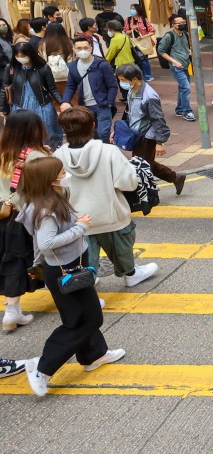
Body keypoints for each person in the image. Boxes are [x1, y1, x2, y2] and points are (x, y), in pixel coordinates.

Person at [19, 156, 126, 397]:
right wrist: (80, 227)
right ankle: (42, 367)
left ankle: (94, 355)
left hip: (66, 265)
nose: (65, 173)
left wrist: (73, 222)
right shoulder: (46, 209)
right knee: (87, 320)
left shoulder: (44, 200)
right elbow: (46, 243)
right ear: (50, 179)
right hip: (65, 268)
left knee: (81, 315)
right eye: (61, 171)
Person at [54, 106, 157, 288]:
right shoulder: (108, 151)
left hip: (78, 220)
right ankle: (130, 273)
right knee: (122, 247)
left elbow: (57, 190)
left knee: (85, 255)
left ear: (64, 130)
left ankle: (88, 281)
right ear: (93, 125)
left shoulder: (57, 156)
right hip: (112, 216)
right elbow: (128, 183)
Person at [0, 110, 49, 334]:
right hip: (25, 217)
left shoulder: (2, 152)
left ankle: (12, 311)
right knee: (37, 258)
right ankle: (12, 311)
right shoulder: (35, 156)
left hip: (3, 214)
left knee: (10, 260)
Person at [115, 64, 186, 195]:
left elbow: (158, 120)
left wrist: (159, 142)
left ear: (135, 79)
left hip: (147, 136)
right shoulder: (132, 90)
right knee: (146, 164)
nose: (121, 83)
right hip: (137, 133)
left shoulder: (149, 97)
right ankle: (176, 178)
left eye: (123, 80)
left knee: (140, 165)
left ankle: (146, 193)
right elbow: (129, 112)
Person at [1, 41, 63, 149]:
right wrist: (1, 108)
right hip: (20, 107)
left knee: (46, 134)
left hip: (42, 106)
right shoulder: (11, 68)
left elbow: (52, 88)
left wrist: (63, 103)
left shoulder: (43, 68)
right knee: (22, 135)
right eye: (17, 55)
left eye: (23, 55)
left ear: (30, 54)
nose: (20, 58)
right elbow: (4, 88)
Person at [59, 34, 117, 143]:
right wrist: (65, 101)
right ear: (74, 49)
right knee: (89, 133)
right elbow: (70, 86)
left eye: (85, 48)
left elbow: (112, 85)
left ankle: (105, 155)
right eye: (79, 48)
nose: (83, 50)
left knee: (103, 133)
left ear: (91, 48)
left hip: (102, 104)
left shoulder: (102, 65)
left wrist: (109, 102)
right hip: (85, 106)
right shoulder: (72, 66)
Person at [157, 16, 196, 122]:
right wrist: (174, 61)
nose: (182, 24)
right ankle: (186, 111)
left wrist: (189, 52)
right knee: (186, 88)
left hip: (186, 66)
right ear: (173, 24)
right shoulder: (169, 36)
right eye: (179, 23)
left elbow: (187, 48)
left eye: (183, 22)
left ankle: (179, 109)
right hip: (176, 67)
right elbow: (161, 51)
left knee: (182, 88)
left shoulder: (186, 35)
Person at [124, 4, 155, 82]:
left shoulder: (144, 20)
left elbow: (152, 31)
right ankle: (140, 75)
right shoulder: (128, 20)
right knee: (137, 59)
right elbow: (126, 32)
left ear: (138, 10)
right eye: (131, 8)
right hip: (133, 43)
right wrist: (132, 29)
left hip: (143, 43)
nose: (132, 10)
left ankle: (147, 75)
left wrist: (143, 36)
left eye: (133, 9)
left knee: (144, 59)